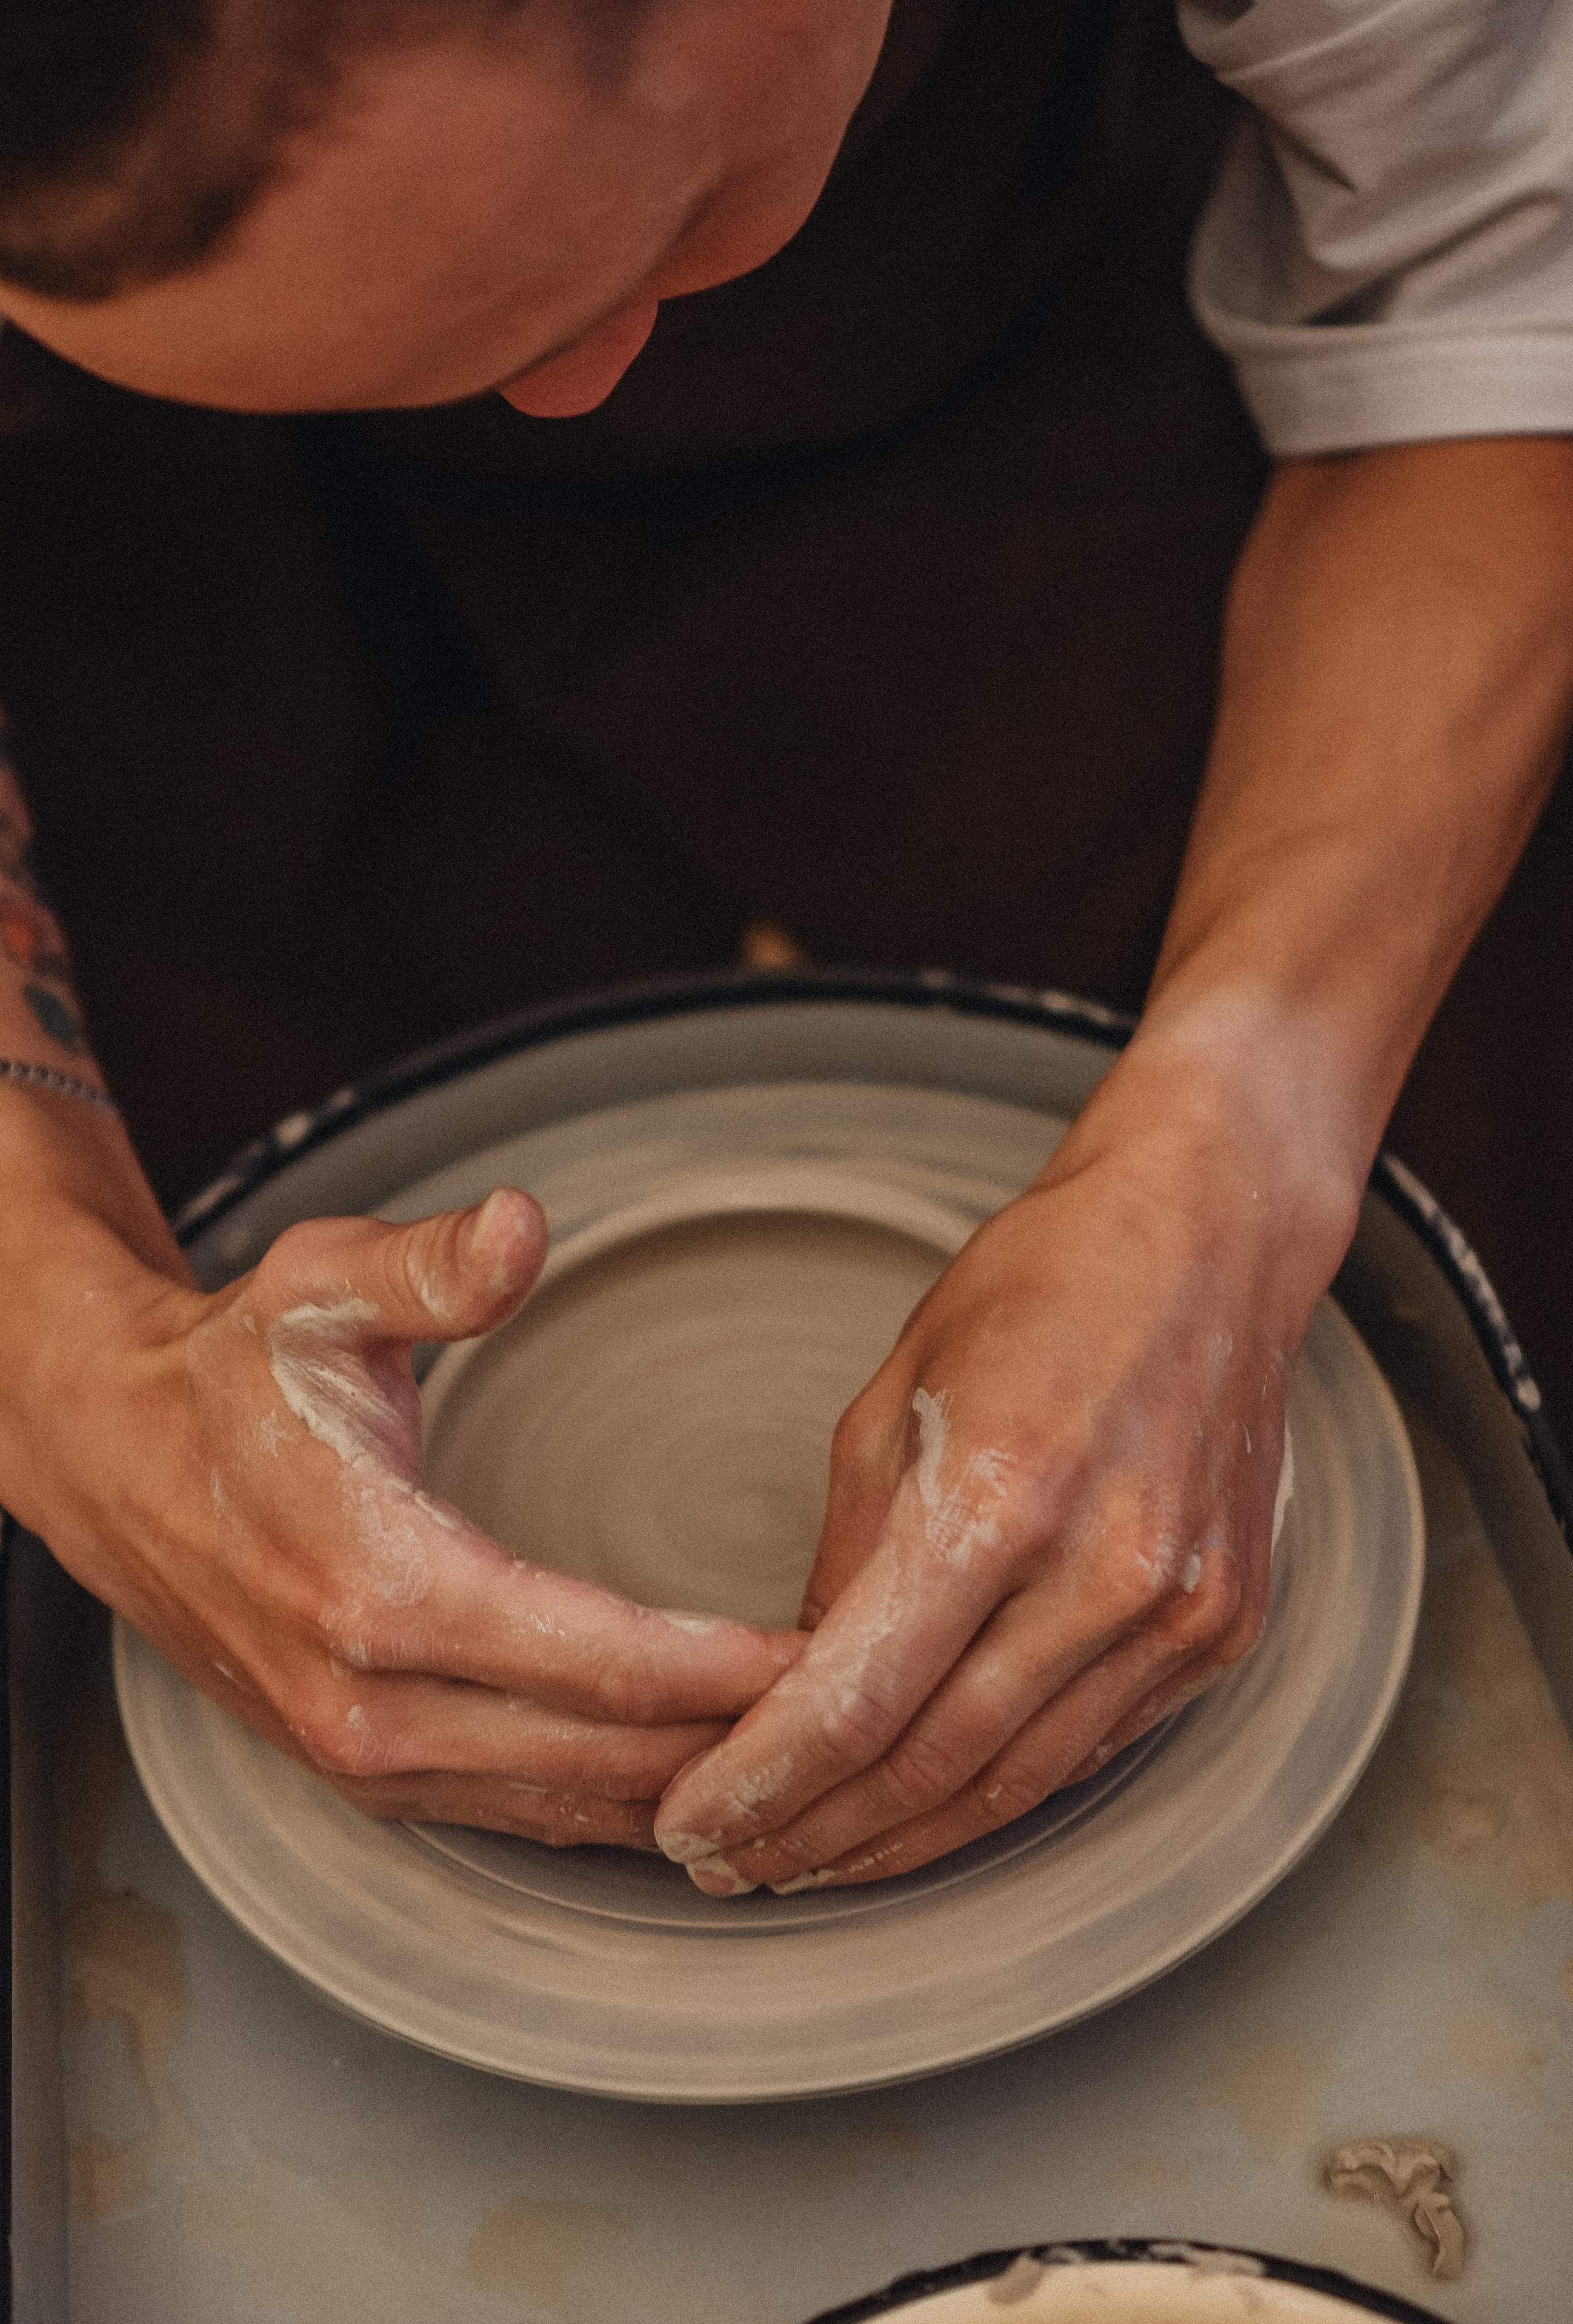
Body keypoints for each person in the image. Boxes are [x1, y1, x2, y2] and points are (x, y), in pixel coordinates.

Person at [0, 0, 1569, 1895]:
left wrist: (1236, 1162)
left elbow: (1486, 298)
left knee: (1451, 1168)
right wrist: (63, 1350)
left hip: (963, 292)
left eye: (650, 232)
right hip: (106, 510)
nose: (561, 389)